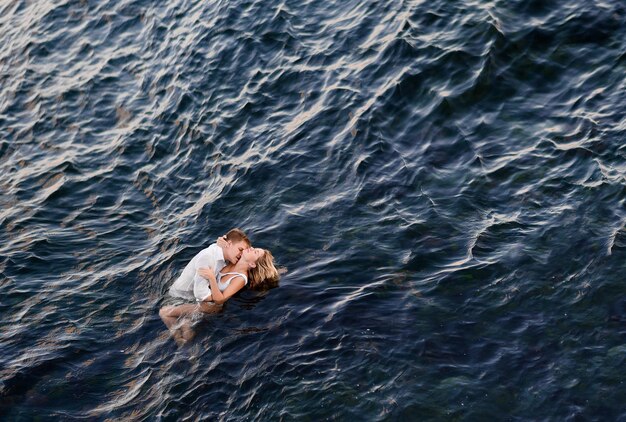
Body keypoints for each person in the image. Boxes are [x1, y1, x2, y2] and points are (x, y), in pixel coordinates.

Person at [159, 229, 279, 344]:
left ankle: (183, 346)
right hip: (203, 301)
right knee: (184, 324)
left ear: (253, 263)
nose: (251, 248)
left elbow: (220, 299)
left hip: (211, 307)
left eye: (255, 251)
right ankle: (188, 344)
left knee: (164, 312)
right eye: (252, 248)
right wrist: (222, 241)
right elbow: (227, 250)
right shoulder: (233, 261)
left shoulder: (240, 278)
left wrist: (212, 278)